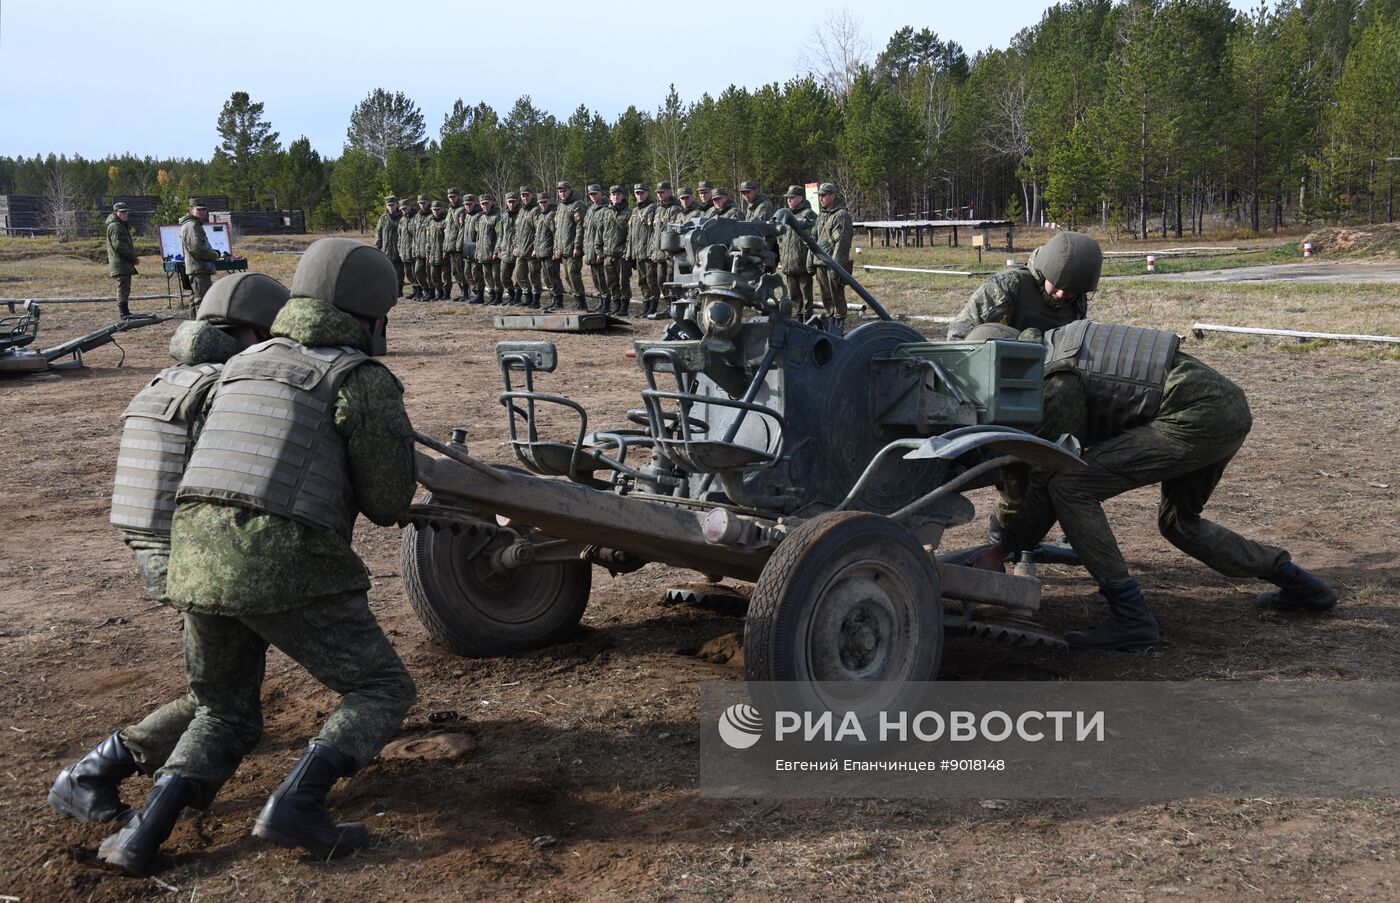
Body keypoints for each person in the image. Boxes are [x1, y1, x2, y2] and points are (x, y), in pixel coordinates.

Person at [93, 238, 416, 876]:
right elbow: (387, 502)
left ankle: (139, 836)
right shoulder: (360, 378)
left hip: (193, 556)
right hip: (283, 558)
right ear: (371, 314)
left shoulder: (239, 366)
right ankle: (297, 805)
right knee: (380, 688)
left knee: (224, 709)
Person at [48, 273, 290, 828]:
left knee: (225, 684)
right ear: (258, 333)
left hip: (155, 545)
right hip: (192, 553)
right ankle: (92, 774)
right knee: (222, 701)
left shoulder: (170, 379)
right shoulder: (224, 387)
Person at [966, 321, 1339, 651]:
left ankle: (1131, 619)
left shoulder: (1054, 380)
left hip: (1196, 414)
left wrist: (1003, 548)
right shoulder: (1054, 346)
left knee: (1071, 485)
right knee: (1179, 522)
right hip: (1223, 407)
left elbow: (1049, 473)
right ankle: (1303, 586)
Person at [946, 230, 1100, 340]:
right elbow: (959, 336)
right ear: (1045, 271)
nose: (1061, 294)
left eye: (1070, 290)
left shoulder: (1077, 299)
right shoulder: (1006, 287)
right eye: (1057, 285)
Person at [813, 182, 852, 333]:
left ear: (832, 196)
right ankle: (830, 325)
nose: (820, 199)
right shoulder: (822, 215)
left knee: (837, 296)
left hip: (833, 264)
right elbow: (815, 239)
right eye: (820, 196)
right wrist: (812, 261)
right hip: (821, 262)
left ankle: (839, 326)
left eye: (823, 195)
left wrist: (836, 267)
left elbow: (842, 243)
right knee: (826, 296)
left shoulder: (841, 215)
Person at [777, 185, 817, 318]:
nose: (789, 200)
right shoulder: (786, 215)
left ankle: (807, 318)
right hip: (789, 263)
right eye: (787, 198)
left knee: (806, 294)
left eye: (792, 197)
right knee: (794, 295)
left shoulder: (808, 214)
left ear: (800, 198)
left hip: (802, 262)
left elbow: (814, 237)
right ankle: (798, 316)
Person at [648, 181, 683, 318]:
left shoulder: (675, 209)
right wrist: (653, 249)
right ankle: (668, 306)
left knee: (670, 279)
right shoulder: (658, 209)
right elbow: (654, 232)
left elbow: (675, 230)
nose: (659, 194)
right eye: (658, 192)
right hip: (658, 251)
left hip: (670, 252)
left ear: (669, 191)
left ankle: (674, 307)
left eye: (662, 192)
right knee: (660, 280)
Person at [179, 202, 220, 314]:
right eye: (199, 209)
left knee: (196, 300)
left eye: (204, 209)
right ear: (191, 210)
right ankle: (201, 323)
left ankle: (194, 323)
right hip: (198, 268)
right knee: (203, 301)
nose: (202, 212)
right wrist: (215, 255)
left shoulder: (194, 224)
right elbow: (197, 249)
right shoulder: (192, 226)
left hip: (198, 268)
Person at [554, 181, 588, 311]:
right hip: (563, 249)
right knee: (568, 276)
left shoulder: (577, 205)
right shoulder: (560, 207)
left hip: (573, 248)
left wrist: (577, 246)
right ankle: (577, 299)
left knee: (574, 274)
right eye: (560, 191)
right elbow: (558, 229)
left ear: (570, 190)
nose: (562, 193)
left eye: (564, 191)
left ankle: (581, 302)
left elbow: (580, 227)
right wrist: (556, 247)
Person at [105, 202, 141, 319]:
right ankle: (124, 313)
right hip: (120, 263)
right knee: (123, 287)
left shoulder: (120, 225)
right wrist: (133, 257)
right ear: (116, 212)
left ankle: (125, 312)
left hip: (123, 263)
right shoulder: (116, 226)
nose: (125, 214)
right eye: (122, 212)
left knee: (125, 287)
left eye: (126, 211)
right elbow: (119, 245)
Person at [602, 186, 631, 316]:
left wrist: (626, 251)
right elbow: (601, 232)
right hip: (608, 254)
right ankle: (617, 304)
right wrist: (600, 249)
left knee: (623, 281)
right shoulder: (606, 212)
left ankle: (624, 307)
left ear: (623, 196)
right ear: (610, 196)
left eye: (618, 194)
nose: (616, 196)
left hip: (621, 254)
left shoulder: (629, 213)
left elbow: (631, 235)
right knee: (611, 282)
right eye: (613, 194)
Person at [512, 187, 540, 307]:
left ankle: (536, 299)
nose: (525, 198)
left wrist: (536, 247)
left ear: (532, 195)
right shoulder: (522, 211)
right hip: (521, 250)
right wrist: (515, 246)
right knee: (519, 274)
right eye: (523, 196)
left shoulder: (535, 210)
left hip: (531, 250)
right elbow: (517, 231)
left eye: (527, 195)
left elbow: (539, 231)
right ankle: (527, 296)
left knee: (534, 276)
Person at [583, 184, 609, 312]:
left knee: (603, 279)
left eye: (595, 193)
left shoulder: (606, 209)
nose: (593, 196)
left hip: (600, 251)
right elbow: (586, 231)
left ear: (601, 193)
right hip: (590, 251)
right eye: (591, 194)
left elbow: (606, 233)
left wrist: (601, 251)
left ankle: (606, 303)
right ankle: (601, 301)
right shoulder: (590, 210)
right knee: (596, 279)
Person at [535, 192, 561, 310]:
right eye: (540, 203)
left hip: (550, 252)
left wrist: (555, 250)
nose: (542, 204)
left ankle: (558, 301)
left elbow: (556, 234)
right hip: (542, 252)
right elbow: (537, 235)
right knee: (546, 278)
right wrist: (536, 249)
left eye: (544, 202)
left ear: (549, 201)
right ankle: (553, 299)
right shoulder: (541, 216)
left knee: (553, 277)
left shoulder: (552, 215)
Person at [374, 196, 404, 297]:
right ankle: (388, 290)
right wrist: (377, 248)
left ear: (397, 205)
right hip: (386, 250)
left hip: (398, 250)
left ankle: (399, 291)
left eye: (392, 205)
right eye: (389, 205)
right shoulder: (383, 218)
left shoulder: (402, 217)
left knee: (399, 272)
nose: (391, 207)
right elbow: (378, 234)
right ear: (386, 206)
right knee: (386, 272)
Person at [476, 194, 503, 304]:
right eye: (483, 204)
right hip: (483, 253)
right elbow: (478, 237)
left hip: (493, 253)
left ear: (491, 203)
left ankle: (498, 297)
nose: (485, 205)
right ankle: (492, 295)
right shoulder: (481, 218)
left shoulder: (496, 217)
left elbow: (500, 235)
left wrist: (496, 251)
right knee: (487, 276)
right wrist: (478, 251)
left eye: (487, 203)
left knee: (496, 276)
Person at [499, 193, 523, 305]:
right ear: (506, 203)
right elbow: (500, 234)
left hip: (518, 251)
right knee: (503, 276)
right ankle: (511, 295)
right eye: (509, 202)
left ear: (517, 201)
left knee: (518, 275)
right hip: (505, 251)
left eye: (513, 201)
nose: (511, 204)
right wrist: (498, 249)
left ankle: (518, 297)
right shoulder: (504, 216)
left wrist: (518, 247)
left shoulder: (521, 214)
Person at [444, 188, 466, 300]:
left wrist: (459, 245)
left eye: (453, 197)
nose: (452, 199)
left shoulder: (462, 210)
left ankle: (465, 292)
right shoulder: (450, 210)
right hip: (450, 246)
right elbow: (447, 229)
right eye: (450, 197)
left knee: (460, 270)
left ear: (458, 196)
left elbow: (461, 229)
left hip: (457, 246)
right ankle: (462, 291)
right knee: (454, 271)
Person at [397, 195, 420, 299]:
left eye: (405, 208)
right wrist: (400, 249)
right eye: (402, 209)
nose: (403, 210)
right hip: (404, 252)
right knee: (408, 273)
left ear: (410, 206)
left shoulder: (417, 217)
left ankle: (420, 291)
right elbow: (400, 236)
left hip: (414, 250)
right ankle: (414, 290)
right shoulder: (402, 220)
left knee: (417, 272)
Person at [425, 199, 449, 300]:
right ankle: (439, 292)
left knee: (445, 275)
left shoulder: (445, 221)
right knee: (434, 275)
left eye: (438, 209)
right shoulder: (430, 222)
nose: (436, 211)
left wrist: (445, 251)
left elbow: (447, 238)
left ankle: (446, 293)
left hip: (442, 253)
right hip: (433, 253)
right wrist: (427, 251)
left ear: (441, 209)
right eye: (434, 210)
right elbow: (428, 239)